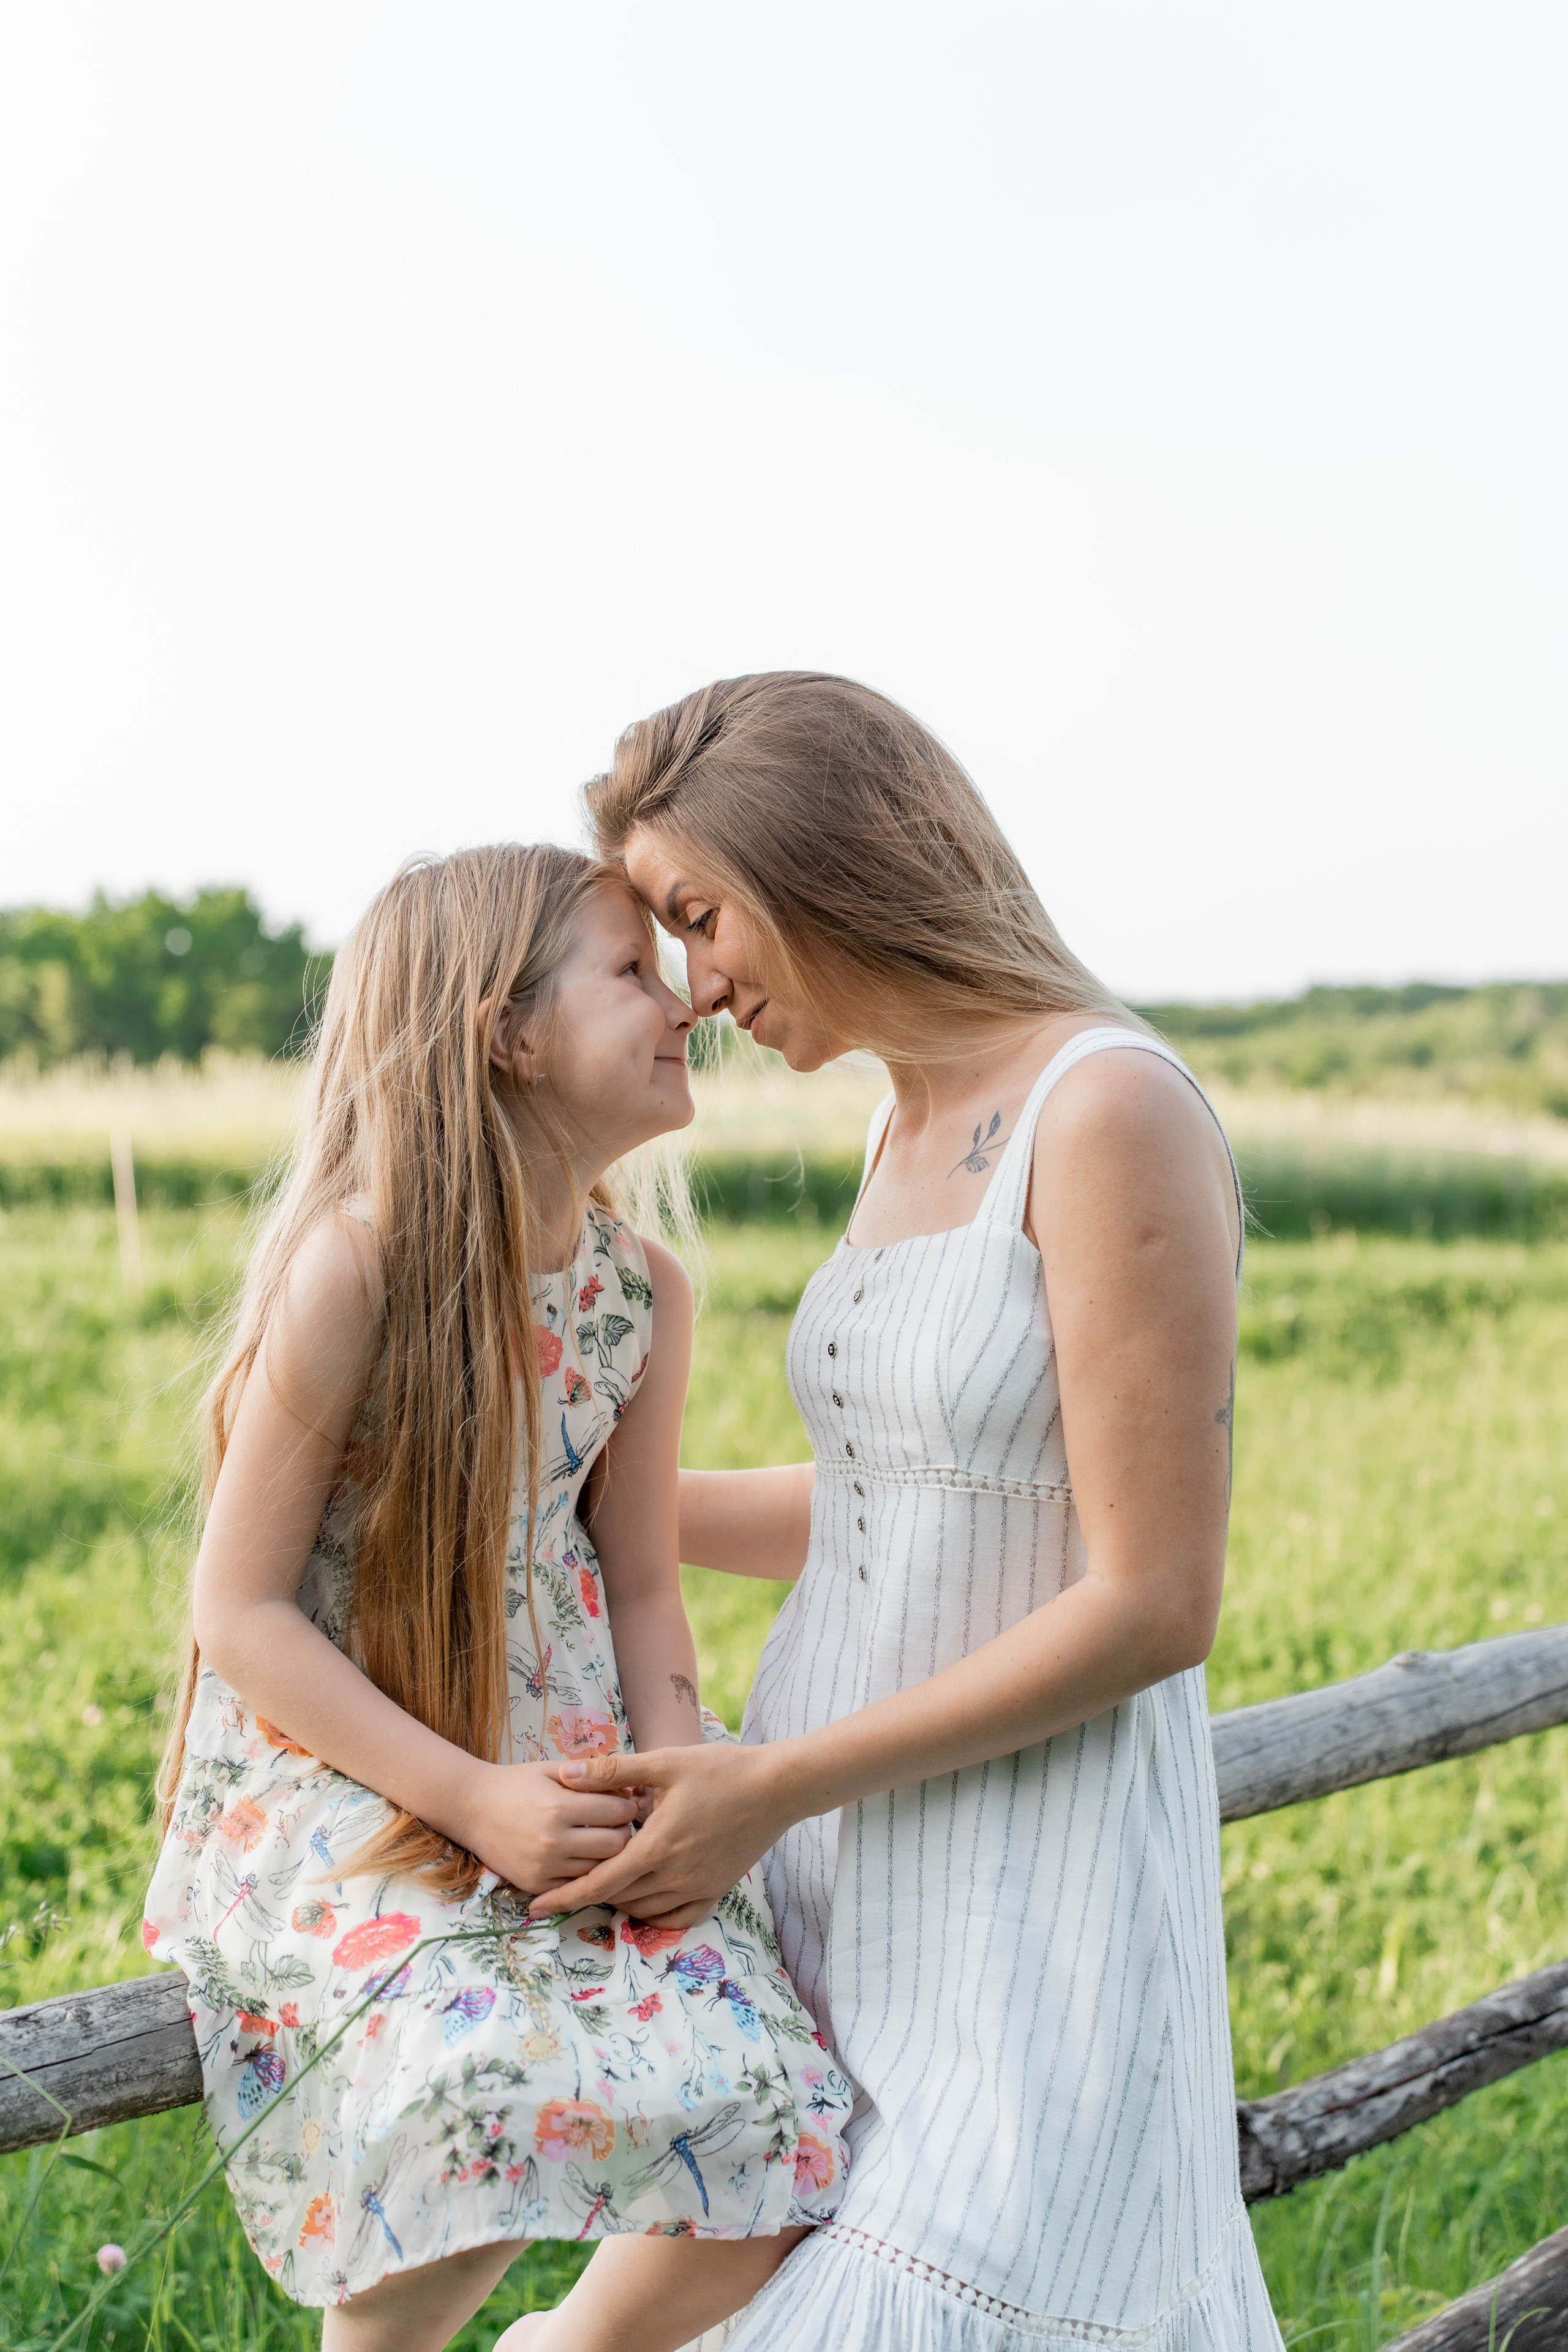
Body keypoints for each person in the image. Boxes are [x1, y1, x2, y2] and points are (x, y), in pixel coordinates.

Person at [549, 674, 1287, 2352]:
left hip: (1027, 1890)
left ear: (815, 859)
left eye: (699, 914)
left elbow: (1154, 1597)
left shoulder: (1105, 1107)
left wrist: (771, 1784)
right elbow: (908, 1496)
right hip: (840, 1867)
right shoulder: (902, 1119)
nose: (695, 982)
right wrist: (582, 1509)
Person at [143, 845, 850, 2351]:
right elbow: (241, 1609)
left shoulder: (639, 1290)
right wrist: (472, 1799)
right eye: (631, 974)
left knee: (782, 2119)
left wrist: (676, 1791)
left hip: (574, 1761)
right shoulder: (359, 1271)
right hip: (360, 1772)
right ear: (503, 1031)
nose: (685, 1008)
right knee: (469, 2086)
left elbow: (640, 1575)